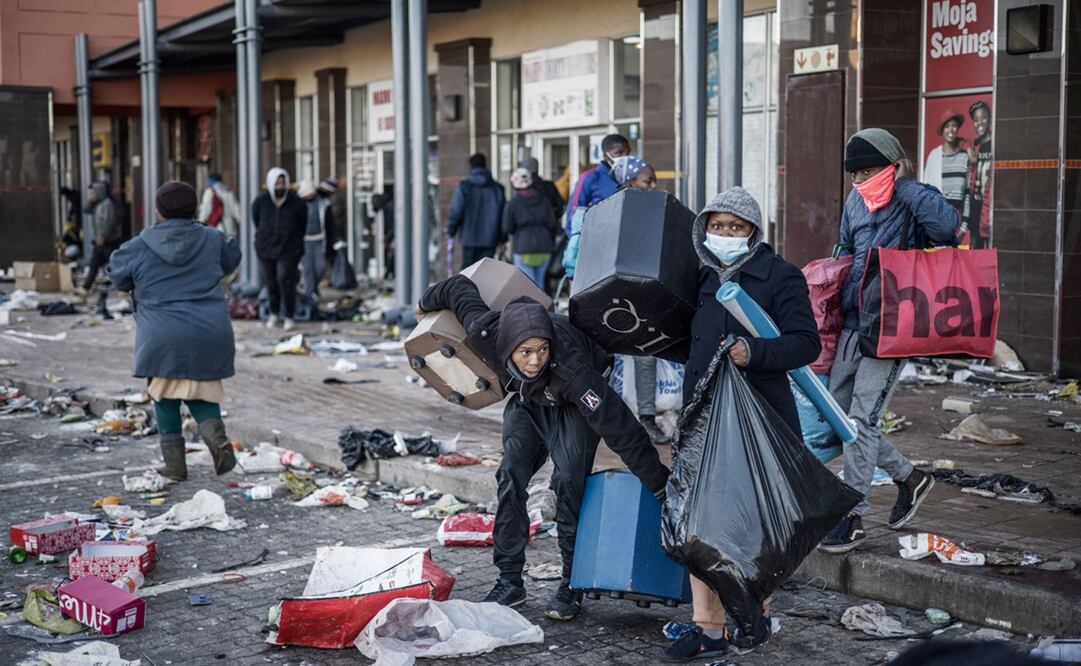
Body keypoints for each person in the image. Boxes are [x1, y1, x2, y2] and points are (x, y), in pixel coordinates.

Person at [416, 277, 670, 622]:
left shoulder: (574, 370)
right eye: (525, 353)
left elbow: (621, 428)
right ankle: (509, 580)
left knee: (568, 481)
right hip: (529, 400)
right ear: (507, 347)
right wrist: (423, 303)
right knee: (510, 475)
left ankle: (571, 583)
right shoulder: (485, 332)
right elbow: (458, 286)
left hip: (572, 404)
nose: (534, 360)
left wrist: (659, 484)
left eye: (541, 349)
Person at [656, 187, 820, 661]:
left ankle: (754, 618)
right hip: (702, 421)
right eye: (717, 226)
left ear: (753, 232)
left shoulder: (780, 276)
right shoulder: (702, 277)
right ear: (703, 229)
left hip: (758, 425)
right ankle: (707, 628)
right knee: (700, 526)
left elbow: (806, 344)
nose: (725, 235)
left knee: (751, 529)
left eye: (736, 227)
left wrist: (757, 353)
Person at [818, 128, 960, 554]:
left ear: (894, 165)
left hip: (894, 325)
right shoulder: (854, 201)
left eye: (871, 170)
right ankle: (910, 478)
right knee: (839, 418)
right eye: (855, 173)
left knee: (862, 421)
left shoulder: (915, 196)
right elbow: (845, 248)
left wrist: (904, 185)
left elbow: (948, 230)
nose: (862, 179)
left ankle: (853, 515)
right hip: (853, 322)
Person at [108, 181, 241, 482]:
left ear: (158, 211)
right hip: (210, 329)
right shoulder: (213, 239)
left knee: (164, 395)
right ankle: (219, 442)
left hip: (161, 332)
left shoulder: (139, 245)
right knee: (202, 391)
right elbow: (232, 259)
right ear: (194, 208)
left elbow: (117, 275)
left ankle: (175, 467)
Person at [610, 156, 667, 444]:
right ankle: (605, 417)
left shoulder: (658, 209)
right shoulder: (612, 211)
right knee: (607, 355)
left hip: (646, 292)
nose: (654, 185)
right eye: (648, 181)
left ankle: (647, 417)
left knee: (647, 355)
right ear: (630, 182)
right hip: (615, 295)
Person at [251, 167, 306, 330]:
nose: (280, 187)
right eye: (277, 183)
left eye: (283, 183)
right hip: (266, 248)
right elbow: (256, 220)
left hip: (289, 249)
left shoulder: (297, 202)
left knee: (285, 278)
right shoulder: (261, 201)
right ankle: (274, 312)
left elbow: (302, 225)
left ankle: (289, 314)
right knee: (271, 281)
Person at [446, 153, 506, 269]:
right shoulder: (498, 188)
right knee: (486, 273)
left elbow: (456, 211)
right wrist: (502, 238)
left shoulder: (464, 186)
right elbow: (503, 216)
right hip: (490, 238)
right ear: (485, 165)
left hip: (469, 239)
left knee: (468, 275)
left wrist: (451, 230)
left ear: (471, 166)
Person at [502, 168, 558, 288]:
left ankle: (534, 306)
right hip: (545, 247)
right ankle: (542, 305)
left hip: (523, 248)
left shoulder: (513, 204)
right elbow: (552, 223)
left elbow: (507, 228)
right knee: (540, 284)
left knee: (528, 287)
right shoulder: (544, 200)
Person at [563, 134, 629, 236]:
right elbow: (574, 213)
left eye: (627, 153)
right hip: (595, 241)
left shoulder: (632, 178)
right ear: (605, 155)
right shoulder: (590, 177)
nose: (624, 158)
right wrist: (577, 241)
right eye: (618, 153)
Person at [921, 109, 969, 235]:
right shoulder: (934, 156)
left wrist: (963, 229)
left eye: (954, 126)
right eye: (947, 126)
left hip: (957, 222)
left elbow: (968, 194)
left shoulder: (964, 157)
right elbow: (925, 191)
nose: (951, 130)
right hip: (937, 219)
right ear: (942, 130)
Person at [81, 181, 122, 319]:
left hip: (108, 241)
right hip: (100, 240)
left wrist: (102, 236)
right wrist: (91, 201)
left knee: (112, 265)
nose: (92, 195)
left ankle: (120, 286)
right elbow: (85, 210)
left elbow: (108, 221)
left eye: (94, 193)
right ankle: (86, 287)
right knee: (94, 264)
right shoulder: (97, 204)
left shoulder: (107, 204)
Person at [297, 179, 342, 304]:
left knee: (320, 268)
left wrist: (336, 239)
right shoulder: (299, 205)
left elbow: (330, 223)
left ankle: (313, 289)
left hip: (320, 240)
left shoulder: (322, 204)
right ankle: (309, 293)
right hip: (304, 241)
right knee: (308, 269)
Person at [966, 101, 993, 249]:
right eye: (975, 120)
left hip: (991, 207)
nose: (979, 123)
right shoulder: (974, 146)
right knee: (975, 251)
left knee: (990, 251)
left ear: (989, 118)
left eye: (983, 118)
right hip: (976, 206)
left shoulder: (997, 144)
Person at [198, 173, 242, 239]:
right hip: (229, 229)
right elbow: (237, 212)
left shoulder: (209, 192)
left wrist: (200, 223)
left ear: (211, 180)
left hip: (214, 228)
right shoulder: (229, 192)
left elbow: (205, 210)